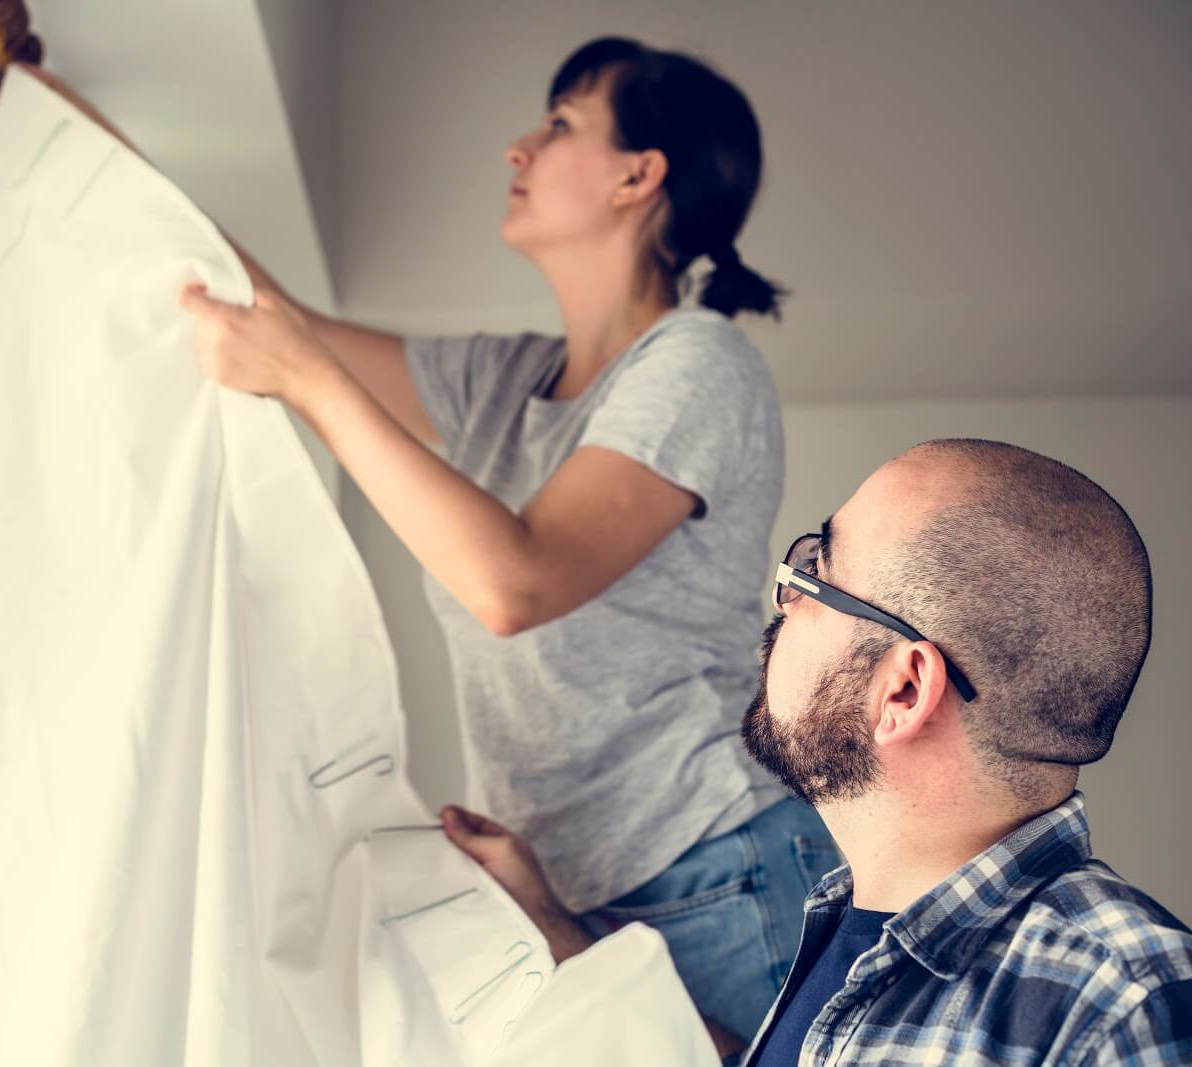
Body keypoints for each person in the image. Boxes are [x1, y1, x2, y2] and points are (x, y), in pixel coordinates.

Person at [161, 34, 831, 1051]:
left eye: (559, 124)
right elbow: (277, 321)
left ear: (637, 176)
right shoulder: (499, 383)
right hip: (565, 890)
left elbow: (513, 580)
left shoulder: (700, 362)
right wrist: (82, 143)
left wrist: (307, 380)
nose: (518, 148)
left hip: (713, 872)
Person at [442, 438, 1192, 1065]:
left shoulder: (1142, 1008)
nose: (779, 599)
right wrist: (556, 932)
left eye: (815, 571)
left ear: (904, 690)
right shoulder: (853, 936)